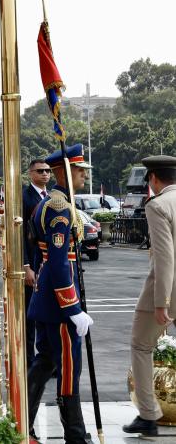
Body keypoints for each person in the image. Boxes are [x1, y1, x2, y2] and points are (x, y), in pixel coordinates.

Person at [26, 144, 95, 443]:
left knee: (45, 362)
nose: (84, 175)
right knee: (69, 369)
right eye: (80, 170)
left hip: (47, 300)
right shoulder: (58, 207)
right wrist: (72, 308)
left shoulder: (55, 202)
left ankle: (22, 421)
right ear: (65, 172)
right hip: (58, 304)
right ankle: (76, 436)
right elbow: (56, 262)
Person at [123, 155, 176, 436]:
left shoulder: (158, 205)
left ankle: (148, 414)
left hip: (168, 289)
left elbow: (165, 259)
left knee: (141, 346)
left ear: (153, 178)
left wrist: (161, 302)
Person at [23, 159, 51, 369]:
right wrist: (25, 266)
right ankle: (29, 359)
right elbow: (21, 236)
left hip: (47, 264)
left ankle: (45, 359)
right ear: (31, 173)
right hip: (31, 264)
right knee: (30, 316)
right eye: (40, 171)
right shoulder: (24, 198)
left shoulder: (51, 197)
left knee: (45, 314)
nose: (45, 174)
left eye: (48, 171)